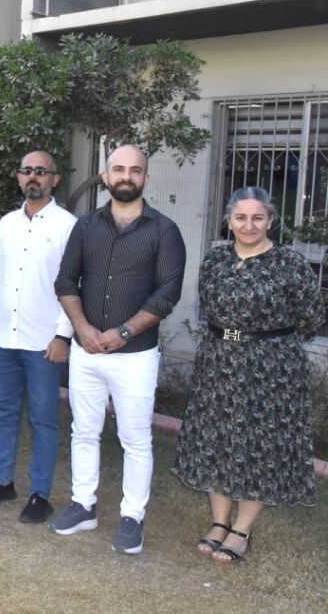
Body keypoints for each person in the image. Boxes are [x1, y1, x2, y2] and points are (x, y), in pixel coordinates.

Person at [172, 187, 323, 563]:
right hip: (218, 361)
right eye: (240, 217)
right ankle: (219, 522)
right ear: (229, 220)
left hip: (270, 368)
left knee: (259, 444)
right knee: (216, 439)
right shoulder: (216, 260)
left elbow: (311, 317)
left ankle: (241, 529)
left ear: (271, 220)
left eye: (258, 217)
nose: (249, 225)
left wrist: (270, 341)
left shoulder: (289, 263)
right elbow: (209, 306)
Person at [51, 144, 186, 555]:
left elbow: (167, 294)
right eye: (119, 169)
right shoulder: (86, 226)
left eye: (135, 170)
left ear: (146, 177)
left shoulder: (164, 230)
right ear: (106, 176)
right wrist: (82, 328)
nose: (127, 176)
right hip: (86, 351)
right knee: (83, 431)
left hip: (136, 355)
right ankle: (83, 505)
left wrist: (124, 332)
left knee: (136, 439)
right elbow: (65, 281)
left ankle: (132, 517)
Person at [0, 151, 76, 523]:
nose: (33, 176)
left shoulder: (67, 226)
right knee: (5, 413)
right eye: (27, 170)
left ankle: (40, 494)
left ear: (54, 179)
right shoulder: (7, 224)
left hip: (44, 342)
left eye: (41, 171)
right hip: (6, 339)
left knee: (44, 420)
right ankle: (2, 482)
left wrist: (63, 335)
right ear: (18, 177)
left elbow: (72, 284)